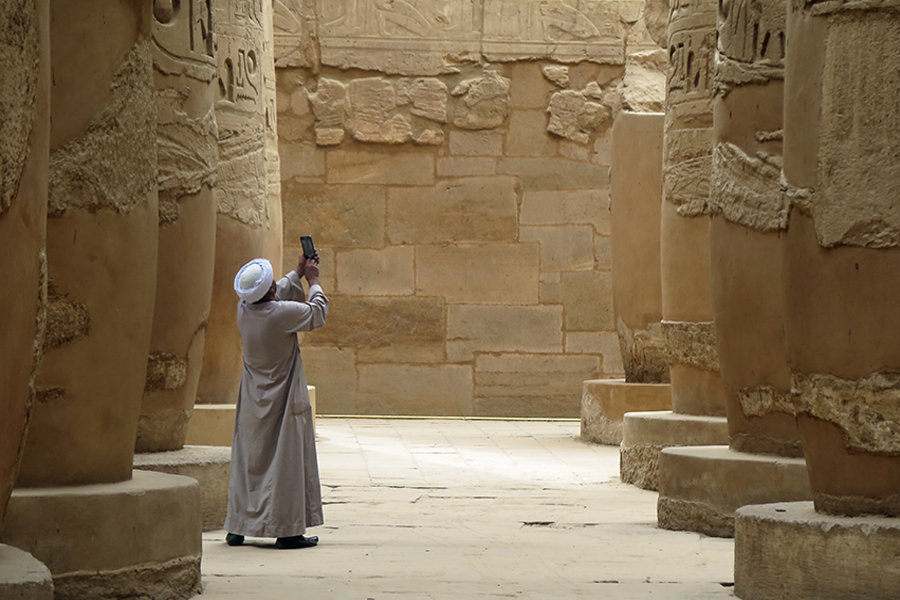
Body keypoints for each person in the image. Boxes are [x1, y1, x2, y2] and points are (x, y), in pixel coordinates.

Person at [223, 252, 328, 549]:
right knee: (285, 462)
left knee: (249, 463)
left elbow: (271, 293)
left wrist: (297, 272)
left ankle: (238, 526)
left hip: (253, 400)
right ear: (269, 289)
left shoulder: (244, 310)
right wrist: (313, 280)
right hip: (282, 399)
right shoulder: (280, 314)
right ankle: (287, 531)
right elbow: (317, 311)